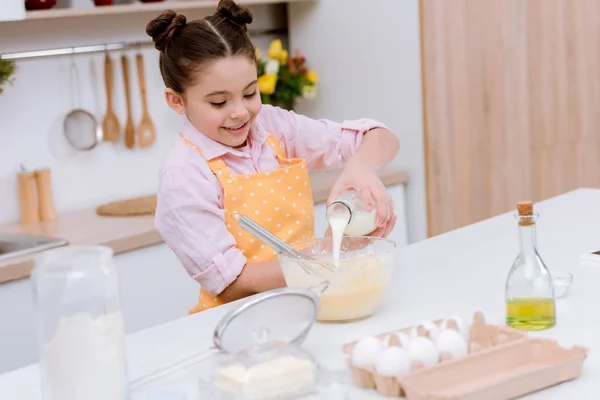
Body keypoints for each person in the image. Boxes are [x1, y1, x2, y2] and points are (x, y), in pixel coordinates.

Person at [148, 0, 400, 314]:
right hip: (241, 322)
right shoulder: (184, 175)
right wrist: (329, 260)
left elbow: (381, 137)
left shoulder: (272, 127)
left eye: (250, 93)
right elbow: (230, 283)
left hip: (307, 303)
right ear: (176, 101)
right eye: (218, 102)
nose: (240, 112)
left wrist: (362, 165)